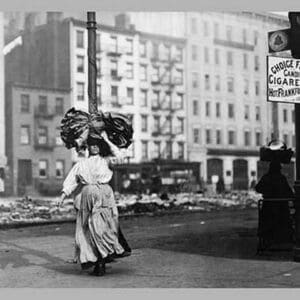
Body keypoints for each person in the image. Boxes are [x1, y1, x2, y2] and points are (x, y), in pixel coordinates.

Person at [58, 131, 131, 276]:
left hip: (104, 197)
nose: (95, 147)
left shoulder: (106, 161)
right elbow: (72, 180)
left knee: (102, 229)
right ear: (87, 147)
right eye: (92, 145)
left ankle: (102, 261)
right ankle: (96, 260)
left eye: (97, 145)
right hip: (87, 197)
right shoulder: (81, 164)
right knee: (88, 230)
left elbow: (120, 157)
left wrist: (106, 139)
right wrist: (63, 195)